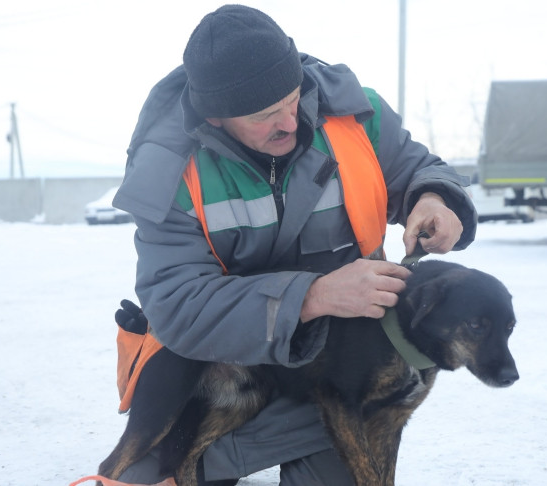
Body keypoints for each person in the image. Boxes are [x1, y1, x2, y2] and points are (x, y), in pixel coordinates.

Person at [111, 4, 477, 485]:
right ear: (216, 118)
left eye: (293, 98)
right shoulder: (168, 171)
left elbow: (417, 167)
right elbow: (179, 307)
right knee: (144, 473)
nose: (290, 120)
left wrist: (434, 197)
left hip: (334, 363)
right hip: (214, 369)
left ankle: (225, 455)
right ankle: (196, 459)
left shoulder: (353, 112)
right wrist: (314, 295)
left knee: (366, 410)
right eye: (266, 115)